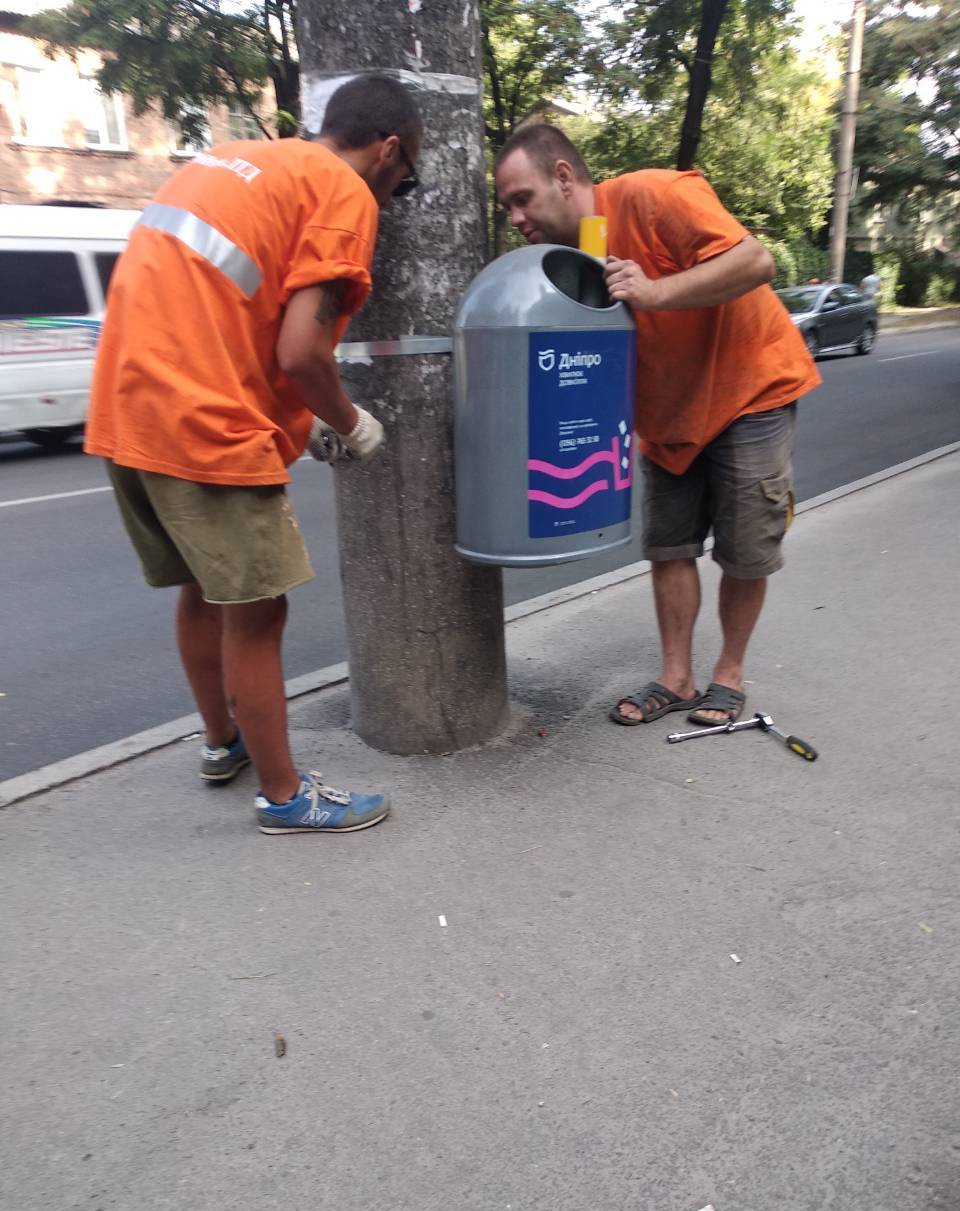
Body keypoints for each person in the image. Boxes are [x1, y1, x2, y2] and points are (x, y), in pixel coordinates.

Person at [85, 75, 422, 834]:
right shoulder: (343, 193)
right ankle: (284, 795)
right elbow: (303, 352)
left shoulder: (234, 160)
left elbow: (226, 311)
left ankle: (221, 742)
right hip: (203, 416)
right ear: (388, 150)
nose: (392, 197)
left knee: (207, 591)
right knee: (260, 611)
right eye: (403, 182)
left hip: (124, 404)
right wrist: (350, 422)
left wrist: (297, 424)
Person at [494, 124, 821, 727]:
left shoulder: (652, 194)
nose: (515, 216)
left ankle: (727, 675)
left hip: (749, 389)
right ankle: (676, 678)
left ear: (564, 177)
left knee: (744, 549)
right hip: (667, 415)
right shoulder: (570, 256)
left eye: (522, 198)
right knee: (669, 547)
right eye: (508, 205)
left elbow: (755, 260)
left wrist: (655, 291)